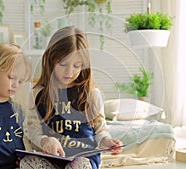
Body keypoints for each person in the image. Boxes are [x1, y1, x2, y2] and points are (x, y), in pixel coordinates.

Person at [22, 26, 123, 169]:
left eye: (77, 65)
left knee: (79, 165)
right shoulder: (38, 93)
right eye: (62, 64)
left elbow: (100, 131)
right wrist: (45, 141)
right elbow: (33, 131)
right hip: (52, 159)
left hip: (83, 159)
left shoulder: (91, 94)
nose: (69, 72)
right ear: (50, 60)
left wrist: (107, 142)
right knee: (27, 162)